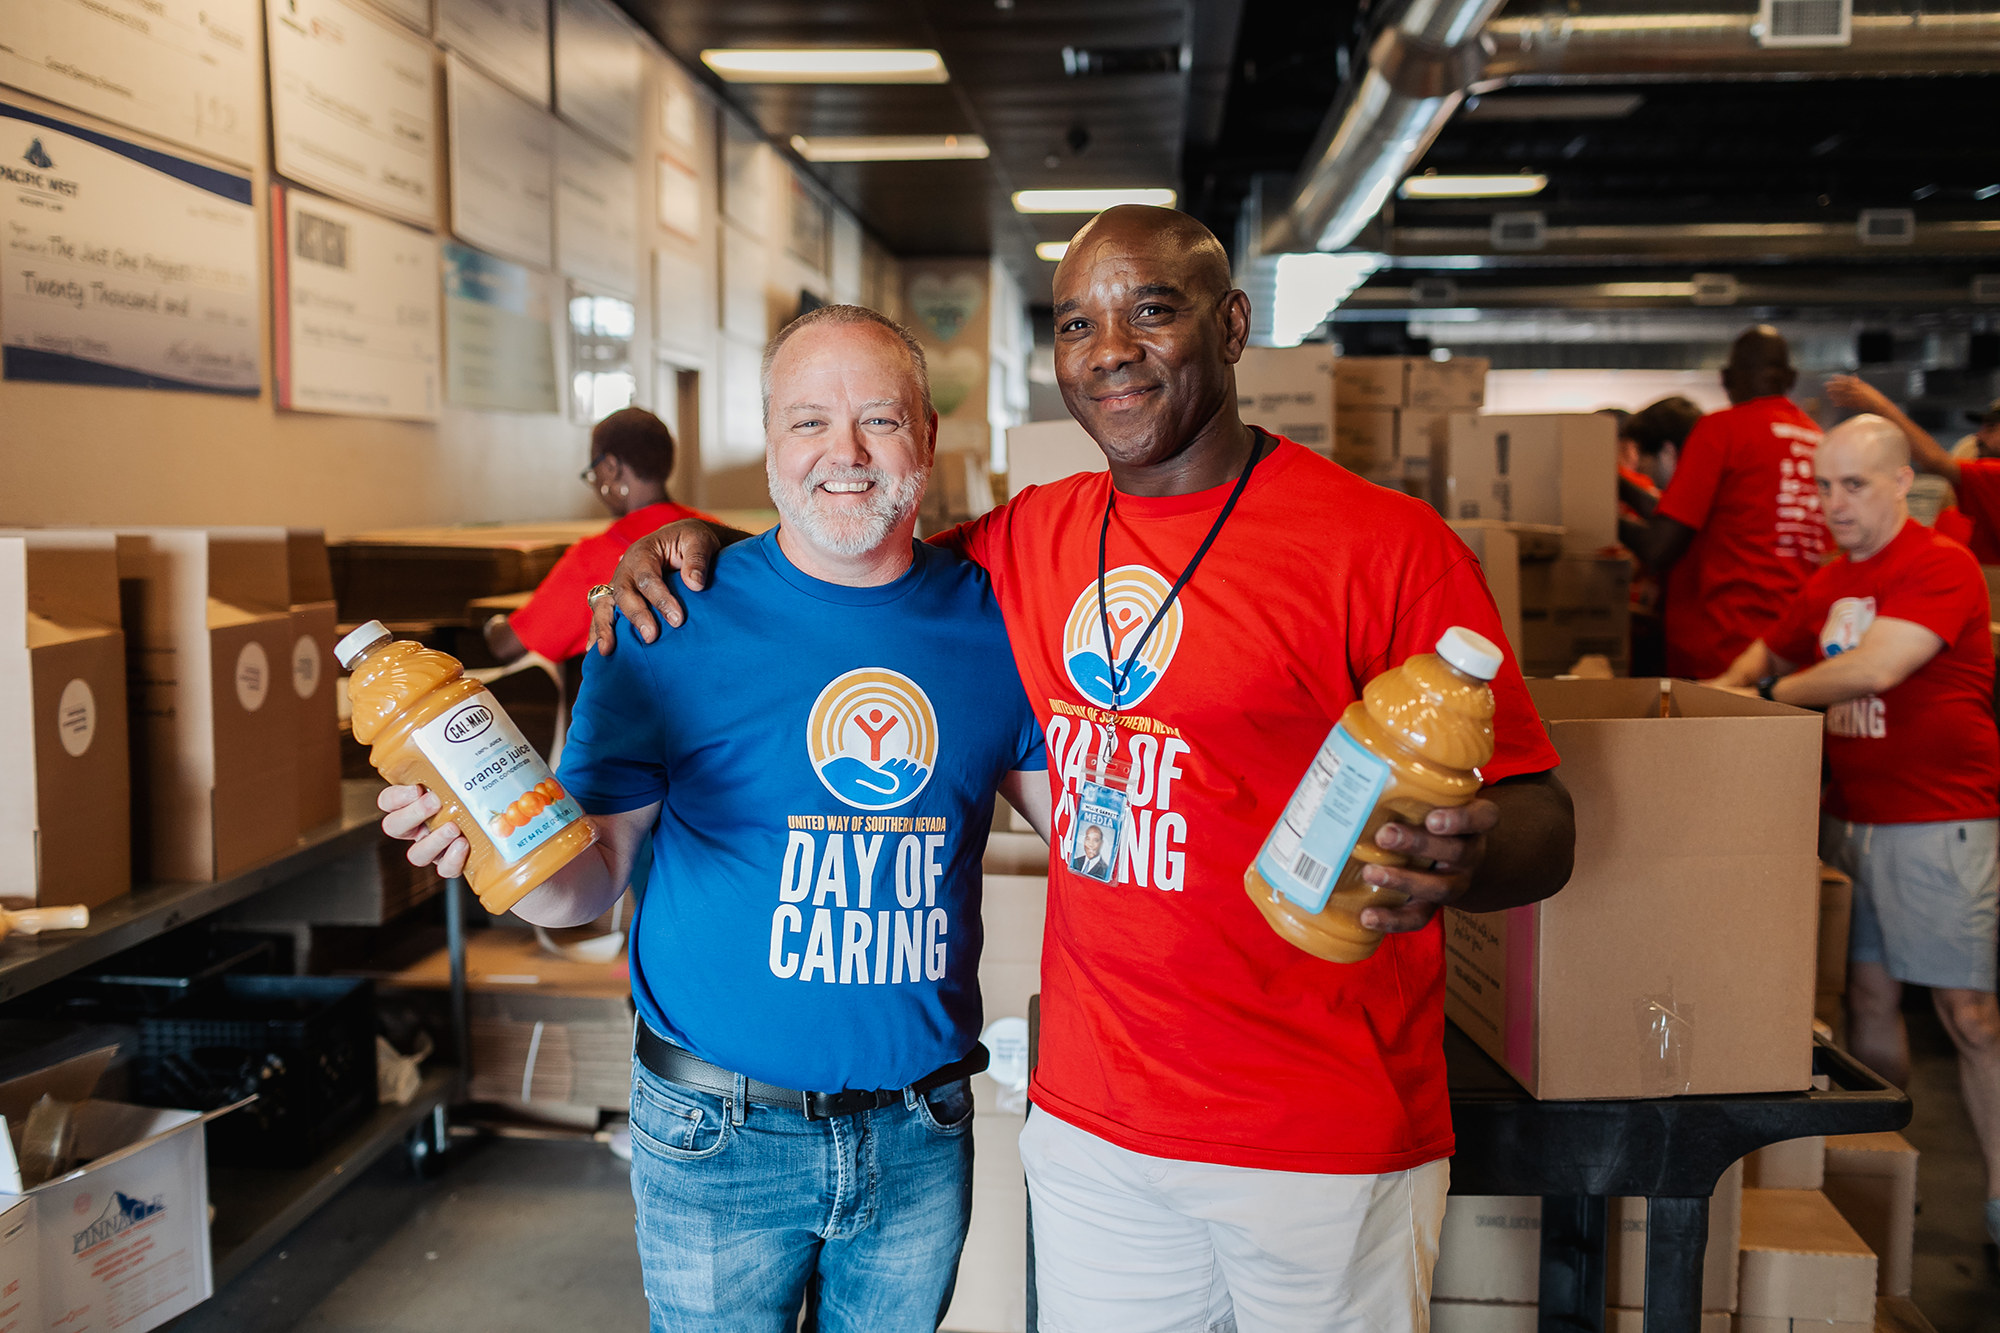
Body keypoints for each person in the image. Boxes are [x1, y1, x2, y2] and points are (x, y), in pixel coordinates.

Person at [594, 206, 1576, 1332]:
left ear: (1231, 324)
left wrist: (1471, 853)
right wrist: (696, 550)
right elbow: (852, 552)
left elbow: (1544, 817)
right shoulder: (1027, 538)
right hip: (1097, 1129)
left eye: (1150, 309)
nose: (1109, 348)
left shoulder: (1383, 546)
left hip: (1320, 1126)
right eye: (1074, 324)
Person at [381, 306, 1051, 1333]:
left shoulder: (994, 622)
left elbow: (1098, 839)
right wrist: (486, 847)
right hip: (716, 1134)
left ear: (926, 437)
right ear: (769, 441)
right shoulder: (665, 617)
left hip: (919, 1132)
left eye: (879, 419)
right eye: (808, 421)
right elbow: (589, 877)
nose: (845, 452)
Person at [1706, 414, 2000, 1263]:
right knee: (1867, 1005)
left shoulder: (1941, 565)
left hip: (1938, 819)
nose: (1836, 503)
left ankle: (1998, 1196)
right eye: (1825, 486)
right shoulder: (1834, 576)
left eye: (1855, 485)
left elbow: (1873, 667)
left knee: (1969, 1015)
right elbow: (1761, 653)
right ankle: (1886, 1167)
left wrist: (1762, 699)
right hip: (1853, 818)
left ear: (1902, 481)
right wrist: (1708, 698)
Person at [1635, 327, 1828, 679]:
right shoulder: (1819, 441)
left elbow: (1659, 547)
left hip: (1724, 648)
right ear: (1791, 378)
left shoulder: (1722, 429)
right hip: (1794, 648)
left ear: (1725, 378)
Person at [483, 406, 715, 666]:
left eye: (593, 472)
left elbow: (507, 645)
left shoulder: (594, 556)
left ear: (611, 467)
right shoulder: (714, 533)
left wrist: (493, 624)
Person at [1828, 379, 2000, 563]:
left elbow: (1935, 461)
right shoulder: (1970, 494)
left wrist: (1878, 404)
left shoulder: (1992, 476)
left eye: (1990, 428)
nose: (1978, 436)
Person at [1616, 396, 1704, 677]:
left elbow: (1654, 544)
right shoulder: (1704, 485)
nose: (1640, 468)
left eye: (1643, 456)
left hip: (1703, 649)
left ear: (1667, 452)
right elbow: (1658, 510)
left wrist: (1599, 512)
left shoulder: (1701, 487)